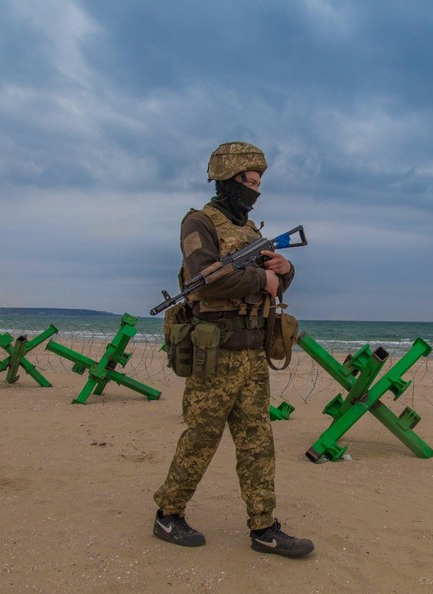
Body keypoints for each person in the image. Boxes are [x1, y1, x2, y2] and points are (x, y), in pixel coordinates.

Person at [153, 141, 314, 558]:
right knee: (202, 436)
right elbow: (204, 278)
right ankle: (168, 513)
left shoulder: (252, 232)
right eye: (249, 181)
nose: (255, 189)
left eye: (259, 182)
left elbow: (272, 285)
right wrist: (263, 281)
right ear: (227, 180)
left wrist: (284, 270)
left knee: (257, 440)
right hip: (215, 351)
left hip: (251, 352)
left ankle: (263, 527)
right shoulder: (198, 223)